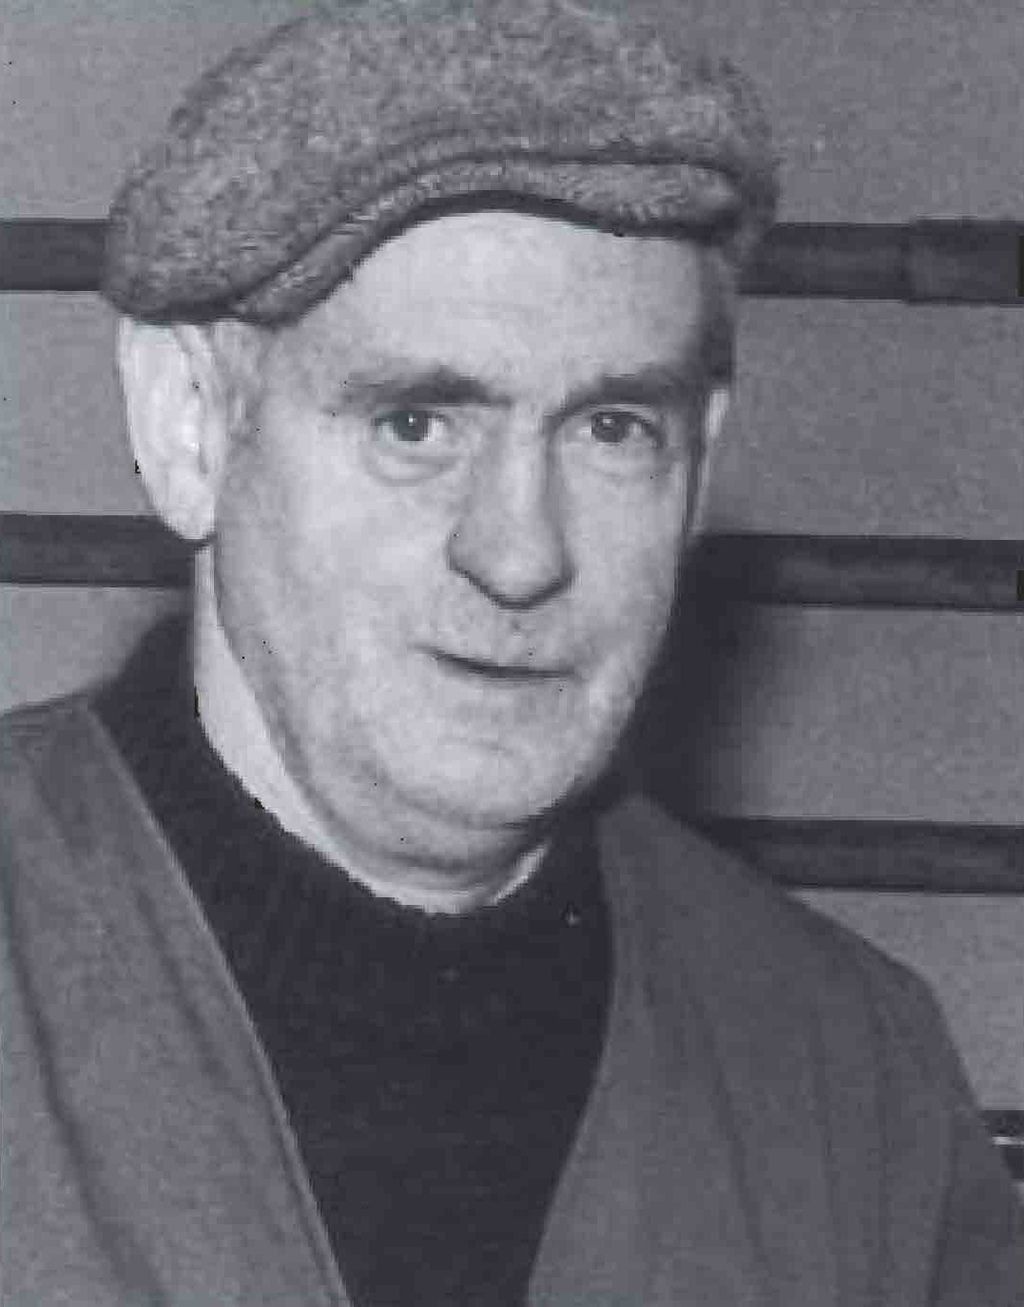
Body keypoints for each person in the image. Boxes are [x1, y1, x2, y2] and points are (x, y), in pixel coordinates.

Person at [1, 2, 1021, 1304]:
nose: (522, 552)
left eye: (612, 429)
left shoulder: (850, 1086)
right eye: (417, 423)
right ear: (189, 424)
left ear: (702, 462)